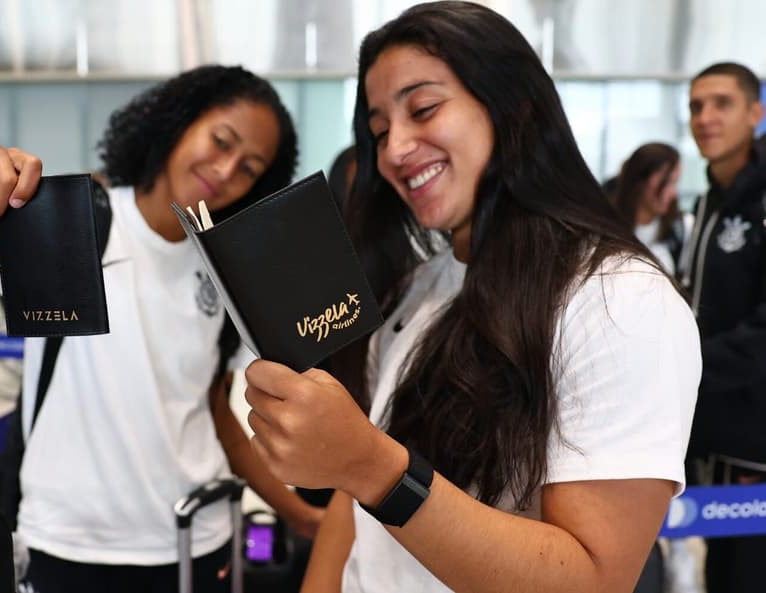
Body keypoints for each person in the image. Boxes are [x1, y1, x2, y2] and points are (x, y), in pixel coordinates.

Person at [241, 3, 701, 593]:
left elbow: (592, 578)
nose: (395, 150)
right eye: (379, 131)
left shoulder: (620, 300)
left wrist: (373, 466)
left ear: (514, 105)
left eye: (424, 108)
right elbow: (351, 513)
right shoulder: (416, 288)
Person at [0, 65, 323, 593]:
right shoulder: (82, 218)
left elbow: (213, 410)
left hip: (196, 540)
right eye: (220, 141)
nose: (225, 171)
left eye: (249, 168)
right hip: (70, 546)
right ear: (178, 122)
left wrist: (299, 514)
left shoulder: (221, 265)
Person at [680, 61, 766, 593]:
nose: (705, 118)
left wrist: (681, 368)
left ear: (756, 113)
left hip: (756, 441)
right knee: (721, 567)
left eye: (721, 104)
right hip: (709, 428)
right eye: (695, 106)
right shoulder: (709, 197)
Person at [610, 142, 684, 275]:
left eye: (675, 183)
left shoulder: (680, 229)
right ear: (639, 180)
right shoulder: (607, 227)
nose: (673, 193)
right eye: (667, 182)